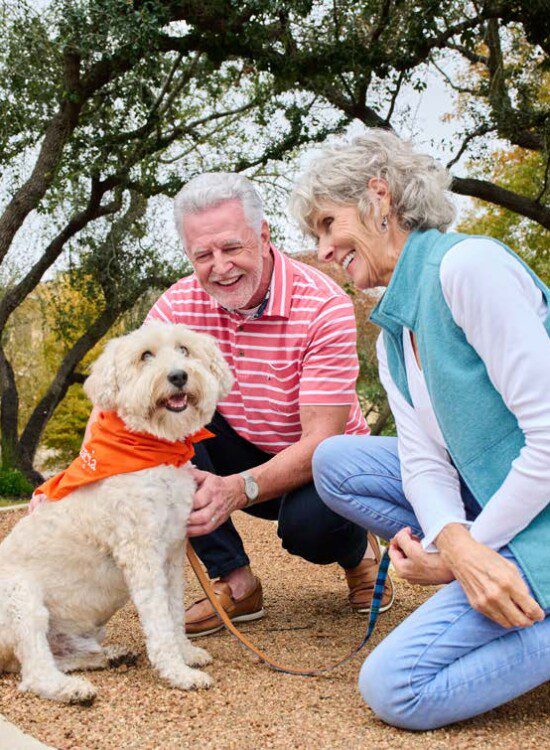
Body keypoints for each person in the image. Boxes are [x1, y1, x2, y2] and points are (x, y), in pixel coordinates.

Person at [290, 129, 550, 730]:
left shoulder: (468, 267)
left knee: (395, 689)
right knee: (336, 461)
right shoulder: (392, 337)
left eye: (329, 224)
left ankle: (518, 578)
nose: (325, 249)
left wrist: (467, 550)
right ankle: (493, 569)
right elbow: (424, 464)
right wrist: (455, 548)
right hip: (497, 502)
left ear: (380, 198)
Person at [145, 172, 394, 637]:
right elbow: (127, 395)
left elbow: (322, 438)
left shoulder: (324, 304)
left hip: (320, 462)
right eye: (204, 255)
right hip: (235, 450)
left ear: (262, 236)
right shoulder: (176, 306)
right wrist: (72, 483)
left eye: (231, 248)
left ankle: (357, 552)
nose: (220, 267)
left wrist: (238, 489)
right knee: (161, 421)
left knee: (309, 531)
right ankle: (236, 582)